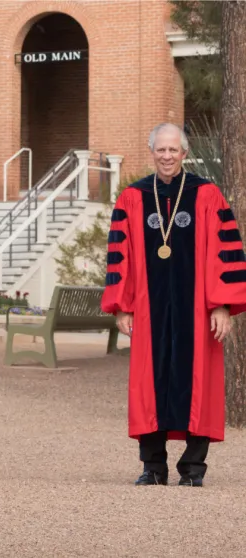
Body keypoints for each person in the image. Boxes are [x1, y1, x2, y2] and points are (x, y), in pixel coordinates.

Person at [102, 123, 246, 487]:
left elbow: (224, 250)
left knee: (200, 381)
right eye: (160, 150)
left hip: (196, 309)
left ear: (184, 153)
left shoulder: (207, 195)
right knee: (149, 384)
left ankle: (193, 469)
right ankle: (153, 467)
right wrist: (122, 306)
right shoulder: (132, 197)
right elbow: (121, 255)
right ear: (151, 152)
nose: (167, 156)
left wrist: (222, 306)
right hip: (149, 309)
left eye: (173, 150)